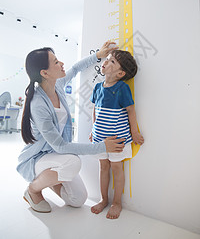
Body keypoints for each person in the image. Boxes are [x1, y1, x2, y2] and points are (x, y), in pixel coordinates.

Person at [17, 41, 125, 213]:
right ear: (44, 73)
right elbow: (60, 146)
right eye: (56, 62)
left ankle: (50, 178)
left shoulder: (57, 86)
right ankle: (33, 190)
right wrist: (102, 146)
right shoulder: (38, 104)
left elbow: (75, 69)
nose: (61, 64)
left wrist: (99, 55)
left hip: (55, 155)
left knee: (77, 199)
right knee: (73, 161)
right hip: (39, 157)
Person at [89, 49, 144, 219]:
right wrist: (93, 129)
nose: (106, 61)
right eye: (107, 59)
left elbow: (130, 110)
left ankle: (117, 202)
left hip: (118, 139)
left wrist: (135, 132)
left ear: (121, 73)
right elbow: (94, 110)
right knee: (103, 167)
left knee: (116, 168)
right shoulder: (98, 87)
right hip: (100, 139)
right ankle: (104, 199)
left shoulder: (122, 88)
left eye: (112, 61)